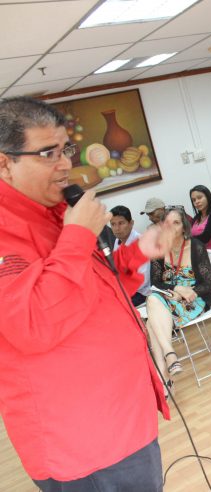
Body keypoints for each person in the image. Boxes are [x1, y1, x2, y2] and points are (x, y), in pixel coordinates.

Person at [0, 96, 172, 490]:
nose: (64, 165)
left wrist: (136, 255)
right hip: (83, 442)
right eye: (48, 153)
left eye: (66, 150)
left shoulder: (55, 211)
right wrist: (78, 235)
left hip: (123, 415)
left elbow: (92, 288)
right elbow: (32, 324)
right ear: (4, 163)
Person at [145, 208, 211, 395]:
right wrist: (176, 289)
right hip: (168, 296)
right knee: (153, 299)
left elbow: (208, 284)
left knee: (152, 321)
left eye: (176, 223)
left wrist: (184, 293)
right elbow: (156, 282)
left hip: (193, 299)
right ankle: (169, 359)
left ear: (184, 227)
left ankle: (164, 374)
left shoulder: (196, 247)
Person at [110, 205, 152, 306]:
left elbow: (143, 281)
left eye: (121, 223)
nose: (117, 228)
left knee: (113, 307)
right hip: (123, 289)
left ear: (131, 223)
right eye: (113, 224)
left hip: (140, 293)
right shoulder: (118, 240)